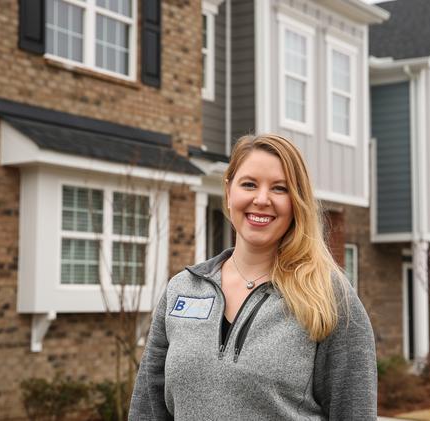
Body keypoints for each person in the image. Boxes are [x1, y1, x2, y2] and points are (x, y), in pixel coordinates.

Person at [129, 134, 377, 420]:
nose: (262, 199)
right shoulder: (182, 290)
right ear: (229, 191)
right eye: (249, 184)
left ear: (297, 201)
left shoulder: (330, 297)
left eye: (280, 188)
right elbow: (147, 409)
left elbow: (354, 413)